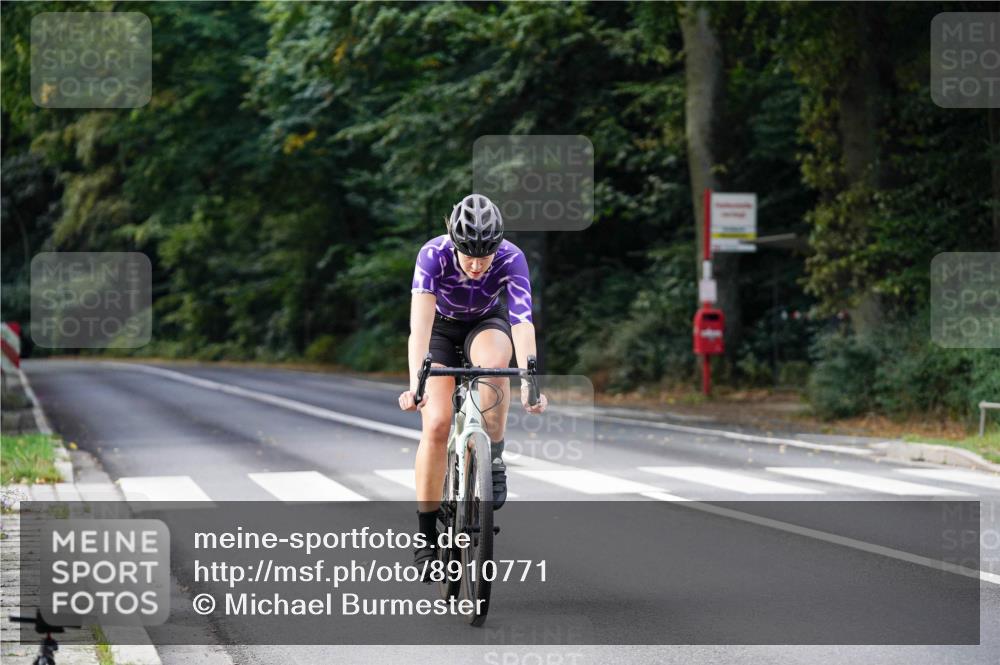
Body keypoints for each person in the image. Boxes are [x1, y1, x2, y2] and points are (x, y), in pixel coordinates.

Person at [398, 193, 547, 574]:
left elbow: (522, 322)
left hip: (486, 322)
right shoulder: (432, 255)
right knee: (435, 422)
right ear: (454, 241)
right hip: (440, 330)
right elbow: (419, 330)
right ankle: (425, 535)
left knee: (497, 366)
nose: (478, 264)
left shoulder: (512, 257)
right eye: (470, 255)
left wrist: (531, 378)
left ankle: (493, 457)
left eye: (486, 255)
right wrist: (418, 384)